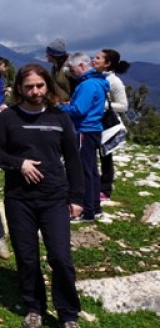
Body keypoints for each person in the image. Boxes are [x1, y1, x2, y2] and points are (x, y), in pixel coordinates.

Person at [0, 63, 87, 328]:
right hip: (19, 198)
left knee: (60, 257)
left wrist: (77, 198)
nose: (35, 91)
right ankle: (35, 307)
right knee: (27, 257)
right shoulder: (9, 119)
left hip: (54, 196)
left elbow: (73, 159)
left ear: (47, 87)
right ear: (20, 88)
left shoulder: (59, 118)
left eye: (40, 86)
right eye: (29, 86)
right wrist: (18, 164)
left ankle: (68, 315)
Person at [59, 52, 110, 222]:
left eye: (73, 70)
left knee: (82, 172)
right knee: (92, 171)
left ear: (81, 66)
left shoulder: (87, 85)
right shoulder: (98, 82)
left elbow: (79, 110)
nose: (72, 74)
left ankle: (85, 210)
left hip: (84, 130)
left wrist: (59, 107)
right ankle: (94, 207)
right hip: (94, 129)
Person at [92, 49, 130, 200]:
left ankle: (105, 189)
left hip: (107, 124)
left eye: (98, 58)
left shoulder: (115, 82)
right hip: (93, 121)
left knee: (106, 155)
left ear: (107, 64)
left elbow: (124, 105)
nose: (94, 59)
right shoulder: (95, 76)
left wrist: (104, 104)